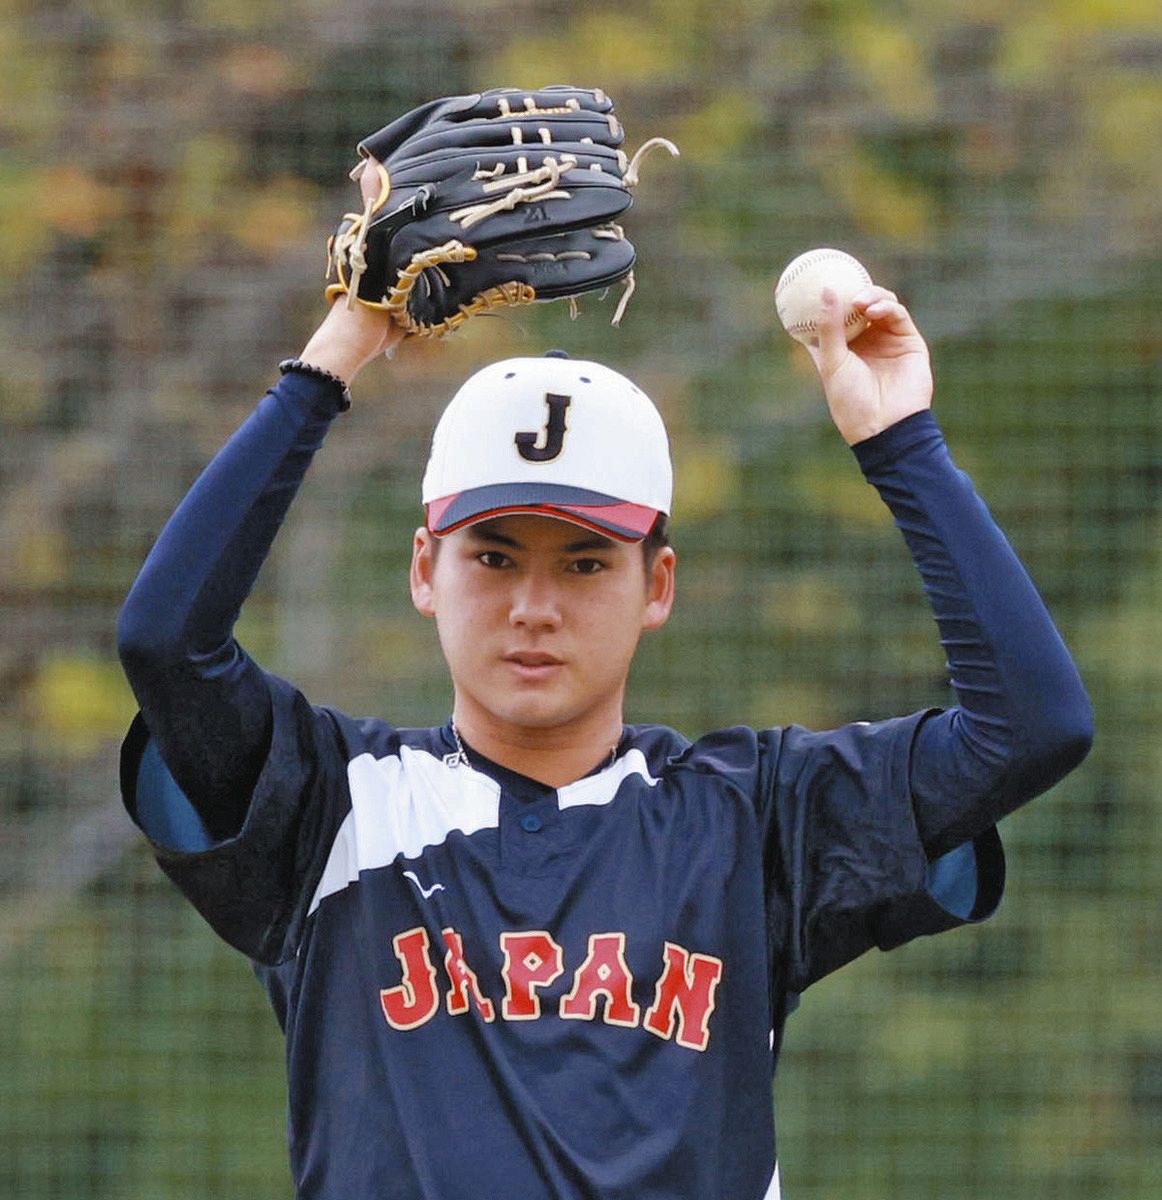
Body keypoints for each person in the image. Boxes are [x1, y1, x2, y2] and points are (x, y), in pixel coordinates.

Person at [116, 216, 1093, 1198]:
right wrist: (333, 357)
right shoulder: (333, 808)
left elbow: (1032, 726)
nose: (534, 607)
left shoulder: (755, 821)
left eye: (585, 564)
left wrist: (900, 443)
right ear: (424, 570)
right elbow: (165, 644)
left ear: (656, 586)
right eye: (493, 557)